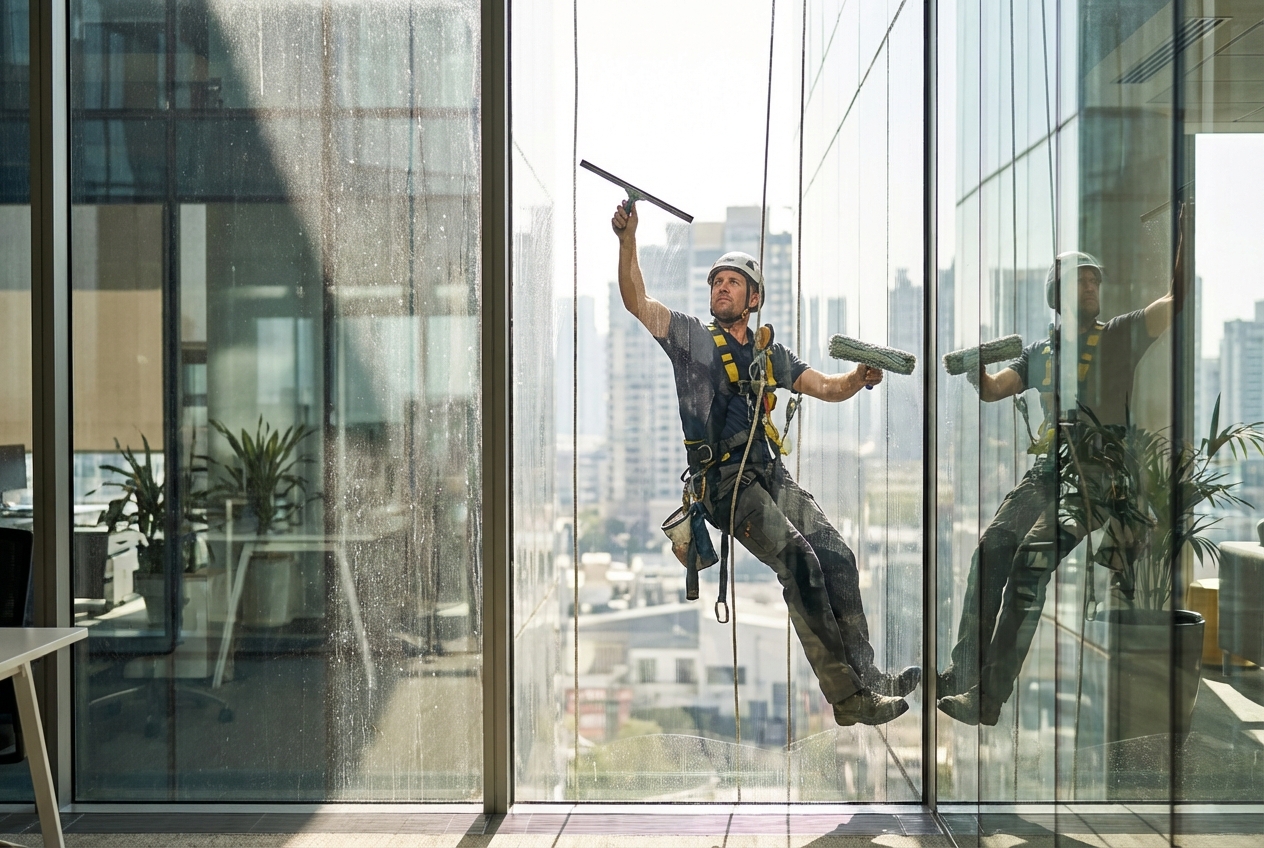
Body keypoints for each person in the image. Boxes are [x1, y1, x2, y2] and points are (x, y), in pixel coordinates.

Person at [611, 202, 920, 727]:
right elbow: (637, 301)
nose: (721, 290)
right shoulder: (691, 339)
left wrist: (859, 378)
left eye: (733, 283)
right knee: (799, 563)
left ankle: (867, 675)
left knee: (838, 556)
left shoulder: (767, 355)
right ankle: (847, 699)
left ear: (753, 299)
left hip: (768, 474)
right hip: (726, 487)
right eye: (717, 283)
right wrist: (628, 240)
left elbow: (823, 386)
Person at [937, 248, 1181, 726]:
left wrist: (1182, 228)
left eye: (1095, 282)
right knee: (991, 551)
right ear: (1059, 294)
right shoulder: (1040, 353)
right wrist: (976, 368)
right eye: (1080, 282)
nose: (1091, 289)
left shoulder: (1119, 336)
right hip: (1048, 470)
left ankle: (988, 697)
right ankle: (964, 670)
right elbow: (993, 388)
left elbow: (1176, 299)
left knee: (1030, 563)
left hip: (1097, 474)